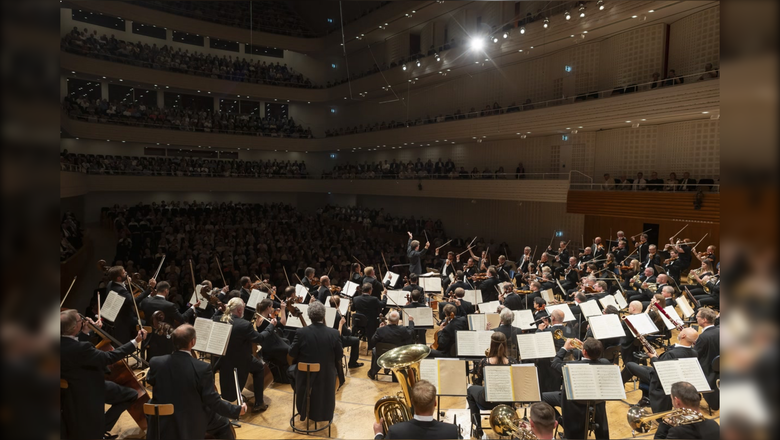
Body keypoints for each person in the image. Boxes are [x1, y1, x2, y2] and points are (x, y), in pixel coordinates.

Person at [146, 324, 246, 439]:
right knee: (224, 424)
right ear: (192, 342)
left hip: (162, 417)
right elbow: (212, 401)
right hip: (190, 418)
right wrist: (236, 410)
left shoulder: (156, 362)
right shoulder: (202, 368)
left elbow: (150, 380)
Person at [60, 309, 146, 440]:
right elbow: (109, 357)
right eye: (80, 320)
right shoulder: (83, 348)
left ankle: (97, 430)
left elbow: (72, 345)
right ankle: (100, 429)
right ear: (74, 326)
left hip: (70, 389)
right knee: (131, 395)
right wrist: (135, 341)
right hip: (90, 388)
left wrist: (85, 332)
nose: (83, 321)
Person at [542, 338, 611, 439]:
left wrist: (565, 348)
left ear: (584, 351)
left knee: (542, 397)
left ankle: (562, 422)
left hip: (573, 403)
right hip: (596, 402)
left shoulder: (571, 366)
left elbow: (555, 362)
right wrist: (588, 347)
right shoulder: (605, 363)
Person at [288, 301, 344, 422]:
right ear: (323, 316)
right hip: (326, 375)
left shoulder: (300, 333)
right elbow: (339, 355)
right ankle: (324, 414)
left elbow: (292, 353)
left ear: (309, 316)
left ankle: (302, 407)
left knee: (291, 372)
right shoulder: (334, 333)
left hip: (305, 374)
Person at [213, 298, 270, 413]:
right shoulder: (244, 325)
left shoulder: (218, 319)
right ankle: (259, 403)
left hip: (222, 360)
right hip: (240, 361)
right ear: (239, 310)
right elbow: (259, 338)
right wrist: (271, 326)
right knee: (259, 367)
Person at [624, 328, 699, 411]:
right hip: (676, 378)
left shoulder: (672, 354)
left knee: (630, 365)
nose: (680, 332)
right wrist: (658, 357)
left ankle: (620, 384)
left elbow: (659, 369)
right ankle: (645, 398)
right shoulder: (694, 352)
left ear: (683, 336)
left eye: (682, 331)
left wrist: (652, 358)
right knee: (641, 368)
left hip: (660, 380)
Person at [466, 332, 519, 437]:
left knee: (470, 390)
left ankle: (478, 427)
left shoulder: (484, 362)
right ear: (505, 345)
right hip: (508, 402)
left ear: (492, 345)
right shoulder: (513, 362)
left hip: (487, 401)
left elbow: (477, 381)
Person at [374, 380, 462, 439]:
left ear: (412, 402)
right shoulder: (451, 431)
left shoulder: (395, 431)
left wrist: (378, 434)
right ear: (435, 403)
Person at [654, 381, 720, 439]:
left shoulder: (677, 432)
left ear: (677, 401)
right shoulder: (714, 425)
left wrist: (664, 424)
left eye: (672, 399)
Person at [105, 265, 152, 343]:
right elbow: (134, 301)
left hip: (118, 316)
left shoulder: (111, 283)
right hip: (125, 319)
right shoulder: (119, 290)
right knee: (148, 327)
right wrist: (148, 290)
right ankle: (144, 346)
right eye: (123, 273)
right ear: (119, 278)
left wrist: (125, 283)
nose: (126, 273)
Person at [368, 311, 416, 379]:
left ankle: (373, 371)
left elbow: (372, 342)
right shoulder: (403, 330)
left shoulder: (381, 330)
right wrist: (411, 322)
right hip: (397, 355)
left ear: (388, 319)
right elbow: (411, 332)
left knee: (375, 350)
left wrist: (380, 329)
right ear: (398, 320)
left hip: (383, 354)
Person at [253, 298, 292, 381]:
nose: (272, 309)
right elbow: (283, 322)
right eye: (271, 307)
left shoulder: (259, 317)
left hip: (268, 343)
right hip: (271, 345)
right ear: (268, 307)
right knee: (289, 350)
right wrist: (283, 309)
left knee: (287, 341)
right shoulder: (266, 321)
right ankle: (289, 375)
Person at [694, 308, 720, 410]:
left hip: (706, 369)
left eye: (698, 316)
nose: (696, 318)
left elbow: (695, 355)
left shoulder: (703, 337)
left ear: (704, 320)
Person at [328, 295, 363, 369]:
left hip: (328, 338)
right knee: (356, 340)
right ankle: (352, 363)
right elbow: (346, 333)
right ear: (338, 304)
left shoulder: (327, 312)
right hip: (338, 339)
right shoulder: (338, 316)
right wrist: (349, 330)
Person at [353, 282, 388, 350]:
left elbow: (352, 309)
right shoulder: (374, 299)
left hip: (359, 323)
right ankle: (372, 346)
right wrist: (384, 295)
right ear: (370, 290)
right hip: (371, 323)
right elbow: (383, 304)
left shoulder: (355, 299)